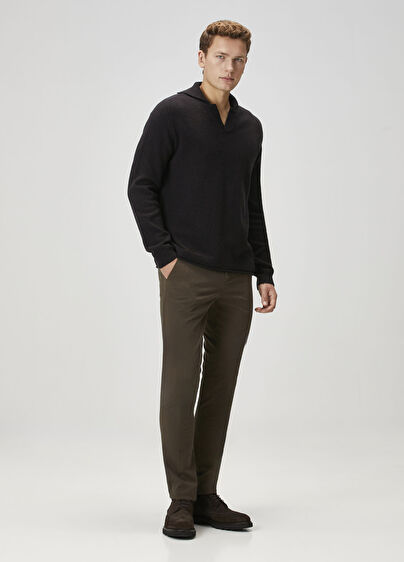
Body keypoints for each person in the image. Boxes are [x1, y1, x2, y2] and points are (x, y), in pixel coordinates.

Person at [127, 19, 277, 540]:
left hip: (237, 277)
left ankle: (207, 495)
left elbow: (251, 202)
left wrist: (264, 270)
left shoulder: (250, 127)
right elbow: (140, 186)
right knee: (180, 385)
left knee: (220, 388)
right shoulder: (172, 114)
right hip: (186, 272)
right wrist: (165, 257)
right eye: (221, 57)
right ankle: (181, 499)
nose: (229, 68)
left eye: (239, 60)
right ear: (201, 58)